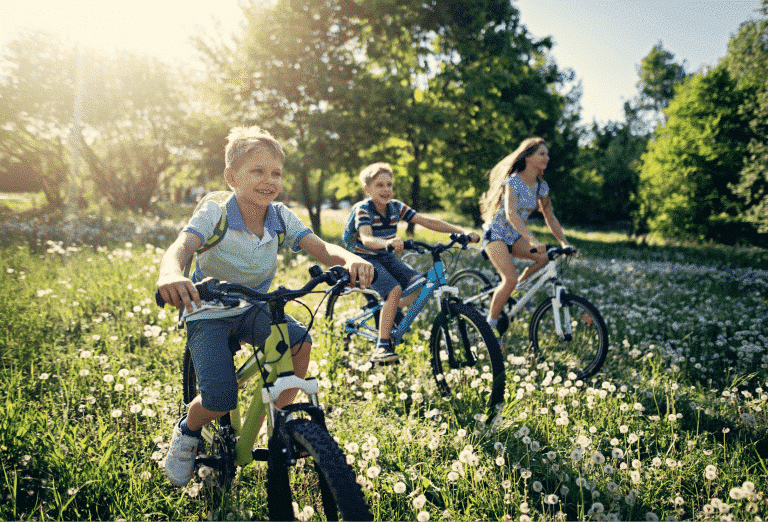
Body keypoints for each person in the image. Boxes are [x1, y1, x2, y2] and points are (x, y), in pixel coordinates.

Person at [156, 126, 374, 487]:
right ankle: (188, 429)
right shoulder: (216, 214)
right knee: (220, 399)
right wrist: (169, 274)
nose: (269, 180)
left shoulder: (281, 216)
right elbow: (181, 247)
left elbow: (321, 249)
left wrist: (349, 259)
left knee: (300, 342)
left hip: (252, 306)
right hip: (208, 310)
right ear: (231, 177)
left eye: (275, 173)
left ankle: (284, 423)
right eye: (257, 171)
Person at [346, 162, 479, 364]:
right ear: (367, 189)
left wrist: (461, 231)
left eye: (389, 185)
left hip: (387, 256)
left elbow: (428, 221)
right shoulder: (364, 209)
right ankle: (382, 346)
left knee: (419, 285)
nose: (386, 189)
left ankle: (389, 310)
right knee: (394, 289)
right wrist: (388, 243)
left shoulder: (396, 207)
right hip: (365, 258)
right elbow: (366, 239)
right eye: (379, 185)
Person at [478, 137, 571, 344]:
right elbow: (511, 214)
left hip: (514, 238)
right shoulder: (513, 181)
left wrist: (564, 242)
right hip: (496, 235)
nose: (547, 157)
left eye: (547, 154)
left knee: (544, 259)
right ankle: (489, 329)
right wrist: (531, 239)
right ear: (528, 156)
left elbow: (550, 216)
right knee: (508, 279)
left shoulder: (541, 186)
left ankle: (514, 293)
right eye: (542, 153)